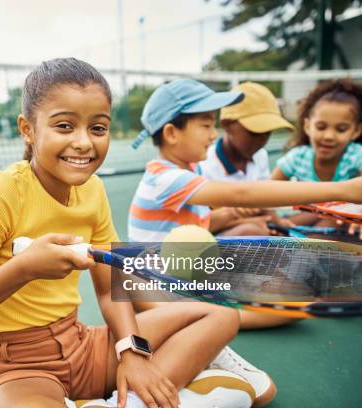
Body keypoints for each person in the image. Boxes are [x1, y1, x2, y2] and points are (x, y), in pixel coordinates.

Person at [0, 60, 254, 408]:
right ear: (28, 129)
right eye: (64, 126)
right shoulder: (0, 195)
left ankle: (134, 399)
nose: (83, 142)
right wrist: (23, 269)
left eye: (98, 128)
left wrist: (132, 352)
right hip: (14, 367)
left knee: (220, 314)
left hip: (82, 346)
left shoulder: (93, 190)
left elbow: (111, 285)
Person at [128, 78, 362, 363]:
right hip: (159, 283)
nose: (213, 135)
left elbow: (217, 215)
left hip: (187, 269)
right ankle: (202, 316)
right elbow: (243, 192)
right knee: (296, 306)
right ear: (171, 133)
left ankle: (204, 313)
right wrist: (343, 190)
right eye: (206, 125)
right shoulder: (165, 177)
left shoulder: (188, 169)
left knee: (290, 293)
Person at [199, 82, 296, 237]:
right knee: (251, 232)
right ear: (227, 125)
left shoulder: (260, 155)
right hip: (212, 241)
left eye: (268, 133)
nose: (262, 140)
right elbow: (200, 225)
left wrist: (277, 221)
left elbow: (263, 200)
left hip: (255, 229)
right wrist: (245, 223)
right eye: (254, 132)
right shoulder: (204, 167)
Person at [272, 78, 362, 238]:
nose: (328, 136)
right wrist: (274, 218)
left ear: (356, 131)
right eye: (321, 127)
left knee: (333, 220)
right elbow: (268, 190)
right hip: (304, 221)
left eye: (341, 129)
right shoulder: (298, 157)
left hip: (343, 225)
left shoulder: (356, 156)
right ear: (308, 126)